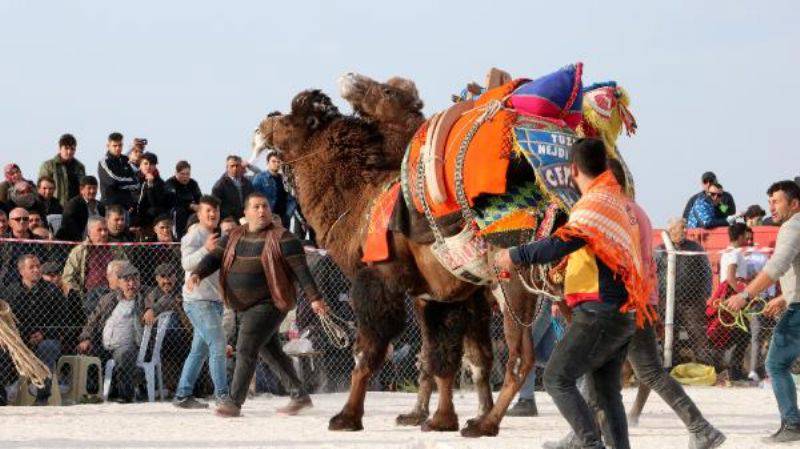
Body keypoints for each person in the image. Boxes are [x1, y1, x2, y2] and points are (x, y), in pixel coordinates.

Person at [495, 138, 651, 449]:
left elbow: (563, 241)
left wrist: (514, 255)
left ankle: (589, 444)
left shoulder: (594, 204)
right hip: (622, 314)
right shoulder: (615, 203)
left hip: (600, 312)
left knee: (556, 378)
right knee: (607, 393)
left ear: (573, 170)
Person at [187, 192, 328, 417]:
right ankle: (299, 396)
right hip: (242, 306)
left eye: (265, 206)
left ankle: (233, 403)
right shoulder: (233, 235)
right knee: (270, 351)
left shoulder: (284, 238)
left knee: (245, 347)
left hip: (270, 303)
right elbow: (214, 258)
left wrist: (315, 298)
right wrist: (198, 273)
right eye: (256, 207)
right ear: (246, 213)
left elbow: (302, 272)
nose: (261, 211)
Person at [726, 180, 800, 443]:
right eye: (770, 201)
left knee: (776, 364)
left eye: (777, 201)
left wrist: (745, 295)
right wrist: (783, 297)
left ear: (794, 203)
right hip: (794, 303)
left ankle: (792, 424)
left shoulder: (792, 226)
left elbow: (776, 267)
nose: (772, 207)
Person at [173, 195, 229, 409]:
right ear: (199, 214)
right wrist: (205, 248)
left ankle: (182, 395)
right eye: (208, 211)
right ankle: (222, 396)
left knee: (199, 350)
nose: (213, 214)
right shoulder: (194, 236)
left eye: (216, 211)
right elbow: (186, 263)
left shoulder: (219, 234)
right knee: (218, 343)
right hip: (197, 301)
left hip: (214, 301)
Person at [77, 262, 146, 403]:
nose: (131, 284)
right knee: (85, 351)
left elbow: (164, 299)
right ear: (119, 283)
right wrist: (86, 338)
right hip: (105, 344)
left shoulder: (144, 298)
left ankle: (125, 395)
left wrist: (151, 309)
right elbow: (92, 321)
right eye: (127, 280)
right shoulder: (108, 299)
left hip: (129, 345)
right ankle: (91, 393)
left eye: (134, 280)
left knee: (124, 354)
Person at [6, 254, 65, 404]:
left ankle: (42, 395)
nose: (36, 270)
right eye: (31, 267)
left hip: (46, 337)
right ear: (21, 271)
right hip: (18, 339)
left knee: (48, 347)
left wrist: (44, 334)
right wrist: (19, 338)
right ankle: (5, 391)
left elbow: (63, 321)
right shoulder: (11, 292)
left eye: (38, 266)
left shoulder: (52, 291)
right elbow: (6, 320)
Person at [656, 218, 714, 365]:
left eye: (685, 228)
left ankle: (703, 365)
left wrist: (706, 293)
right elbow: (652, 273)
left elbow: (706, 271)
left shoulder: (695, 248)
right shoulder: (660, 250)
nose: (685, 231)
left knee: (698, 333)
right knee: (669, 335)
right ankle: (671, 365)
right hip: (666, 301)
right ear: (672, 230)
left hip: (692, 302)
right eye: (682, 228)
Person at [506, 297, 563, 417]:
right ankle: (584, 386)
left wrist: (555, 300)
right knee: (543, 356)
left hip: (542, 300)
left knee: (525, 351)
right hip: (544, 300)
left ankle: (526, 400)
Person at [62, 217, 126, 297]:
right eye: (99, 230)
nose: (103, 233)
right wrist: (78, 295)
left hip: (114, 293)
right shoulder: (79, 251)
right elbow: (68, 277)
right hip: (88, 295)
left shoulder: (116, 248)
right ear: (89, 232)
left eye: (105, 230)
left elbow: (127, 269)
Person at [38, 133, 86, 207]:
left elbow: (83, 188)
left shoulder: (80, 167)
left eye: (72, 149)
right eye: (66, 148)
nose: (69, 152)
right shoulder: (48, 166)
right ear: (60, 149)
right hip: (54, 207)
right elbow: (41, 189)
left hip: (75, 207)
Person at [252, 151, 297, 229]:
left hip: (283, 219)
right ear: (267, 163)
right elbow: (255, 198)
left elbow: (292, 198)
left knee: (283, 241)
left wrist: (288, 215)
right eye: (273, 161)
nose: (276, 164)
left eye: (278, 162)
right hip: (266, 218)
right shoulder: (260, 178)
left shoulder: (285, 179)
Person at [132, 152, 174, 232]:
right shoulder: (133, 178)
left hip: (149, 215)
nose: (148, 166)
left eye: (151, 164)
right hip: (134, 210)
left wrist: (150, 185)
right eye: (145, 163)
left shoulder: (160, 182)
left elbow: (155, 203)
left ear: (155, 166)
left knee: (154, 210)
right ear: (140, 165)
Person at [98, 132, 140, 211]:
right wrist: (128, 182)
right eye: (115, 146)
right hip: (110, 206)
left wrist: (122, 184)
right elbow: (113, 181)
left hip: (126, 207)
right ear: (108, 146)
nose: (118, 148)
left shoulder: (125, 160)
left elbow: (136, 183)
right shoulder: (104, 162)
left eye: (120, 145)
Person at [57, 176, 105, 242]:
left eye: (94, 188)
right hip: (78, 243)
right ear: (81, 189)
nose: (92, 191)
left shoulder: (101, 206)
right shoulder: (73, 205)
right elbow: (68, 226)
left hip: (98, 243)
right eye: (89, 188)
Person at [211, 155, 254, 222]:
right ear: (227, 167)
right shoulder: (220, 185)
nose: (235, 168)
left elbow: (252, 200)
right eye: (232, 166)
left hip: (246, 219)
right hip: (229, 222)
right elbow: (215, 206)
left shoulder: (247, 183)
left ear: (241, 167)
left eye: (237, 165)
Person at [166, 160, 202, 239]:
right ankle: (178, 239)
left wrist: (200, 207)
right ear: (176, 173)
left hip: (190, 210)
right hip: (174, 210)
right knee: (179, 211)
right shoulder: (170, 183)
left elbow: (199, 198)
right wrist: (190, 205)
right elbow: (173, 200)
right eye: (182, 174)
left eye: (187, 174)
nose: (185, 176)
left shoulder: (193, 183)